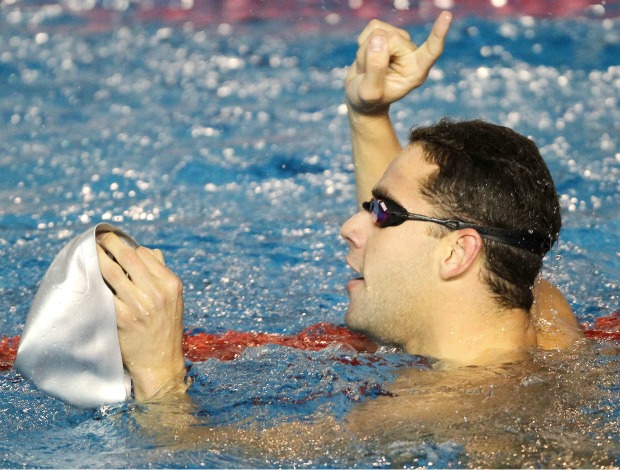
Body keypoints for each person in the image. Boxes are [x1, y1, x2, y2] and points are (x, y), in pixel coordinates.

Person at [96, 11, 582, 404]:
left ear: (458, 254)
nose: (349, 226)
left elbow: (184, 456)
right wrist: (369, 114)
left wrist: (159, 370)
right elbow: (432, 234)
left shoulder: (436, 413)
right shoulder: (540, 316)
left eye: (381, 213)